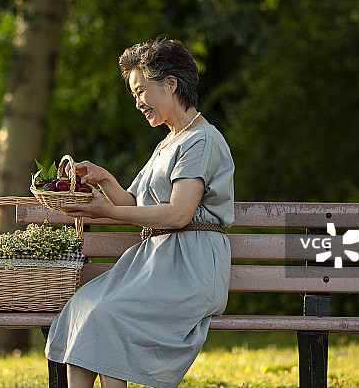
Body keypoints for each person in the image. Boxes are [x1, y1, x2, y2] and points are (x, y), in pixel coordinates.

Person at [44, 36, 235, 388]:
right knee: (85, 307)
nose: (137, 103)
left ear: (171, 83)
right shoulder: (169, 141)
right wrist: (104, 180)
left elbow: (178, 214)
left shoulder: (201, 140)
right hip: (157, 261)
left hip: (189, 266)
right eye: (134, 95)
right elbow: (135, 206)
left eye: (140, 91)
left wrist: (107, 213)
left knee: (111, 315)